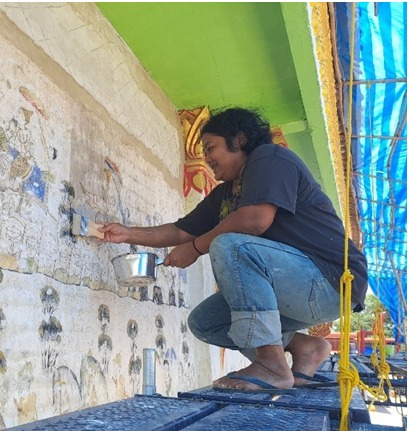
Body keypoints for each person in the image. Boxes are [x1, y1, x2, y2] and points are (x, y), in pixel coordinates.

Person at [99, 107, 368, 392]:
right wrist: (127, 233)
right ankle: (306, 348)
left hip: (331, 282)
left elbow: (255, 221)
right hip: (298, 292)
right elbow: (180, 231)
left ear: (239, 139)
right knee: (206, 322)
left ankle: (271, 365)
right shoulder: (226, 194)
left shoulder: (269, 158)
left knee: (230, 245)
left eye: (210, 148)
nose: (207, 158)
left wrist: (194, 248)